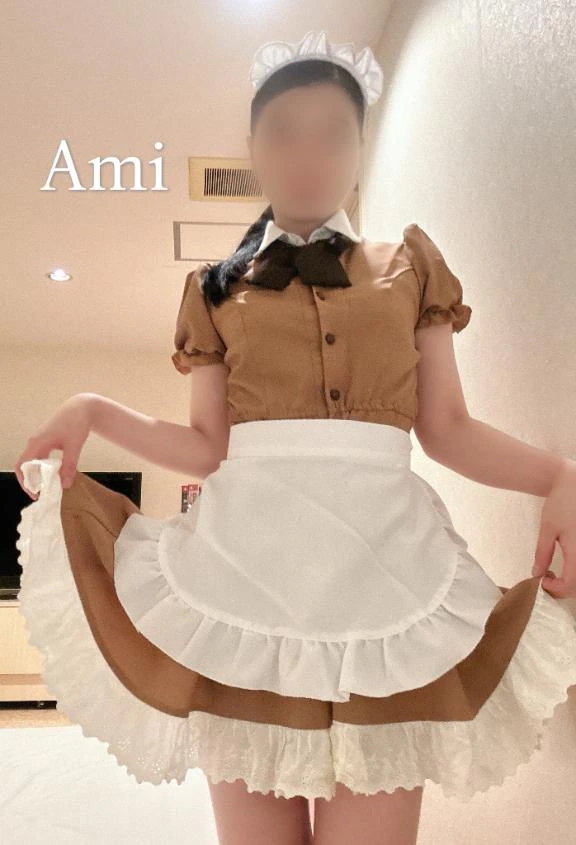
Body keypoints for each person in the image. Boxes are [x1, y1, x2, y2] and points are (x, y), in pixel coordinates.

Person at [14, 29, 576, 845]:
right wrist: (94, 408)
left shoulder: (411, 266)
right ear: (252, 150)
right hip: (242, 579)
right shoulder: (213, 289)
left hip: (386, 575)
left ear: (358, 150)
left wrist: (559, 475)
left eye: (332, 133)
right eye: (283, 133)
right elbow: (206, 446)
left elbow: (447, 428)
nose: (307, 154)